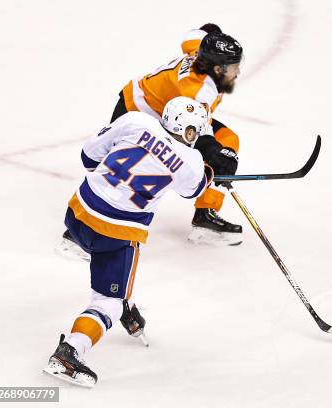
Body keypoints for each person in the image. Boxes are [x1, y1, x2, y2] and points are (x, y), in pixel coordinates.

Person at [43, 96, 234, 387]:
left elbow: (88, 158)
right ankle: (70, 352)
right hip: (115, 235)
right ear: (190, 132)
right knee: (108, 302)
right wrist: (215, 171)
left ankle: (125, 303)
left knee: (106, 261)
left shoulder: (135, 120)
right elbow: (194, 189)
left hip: (77, 213)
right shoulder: (190, 162)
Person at [58, 24, 244, 258]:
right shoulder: (199, 92)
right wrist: (215, 155)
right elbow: (200, 131)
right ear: (217, 68)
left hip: (167, 110)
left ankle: (205, 215)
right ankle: (77, 235)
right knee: (121, 169)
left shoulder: (200, 51)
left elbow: (194, 36)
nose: (237, 72)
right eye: (233, 67)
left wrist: (212, 34)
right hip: (139, 111)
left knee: (228, 139)